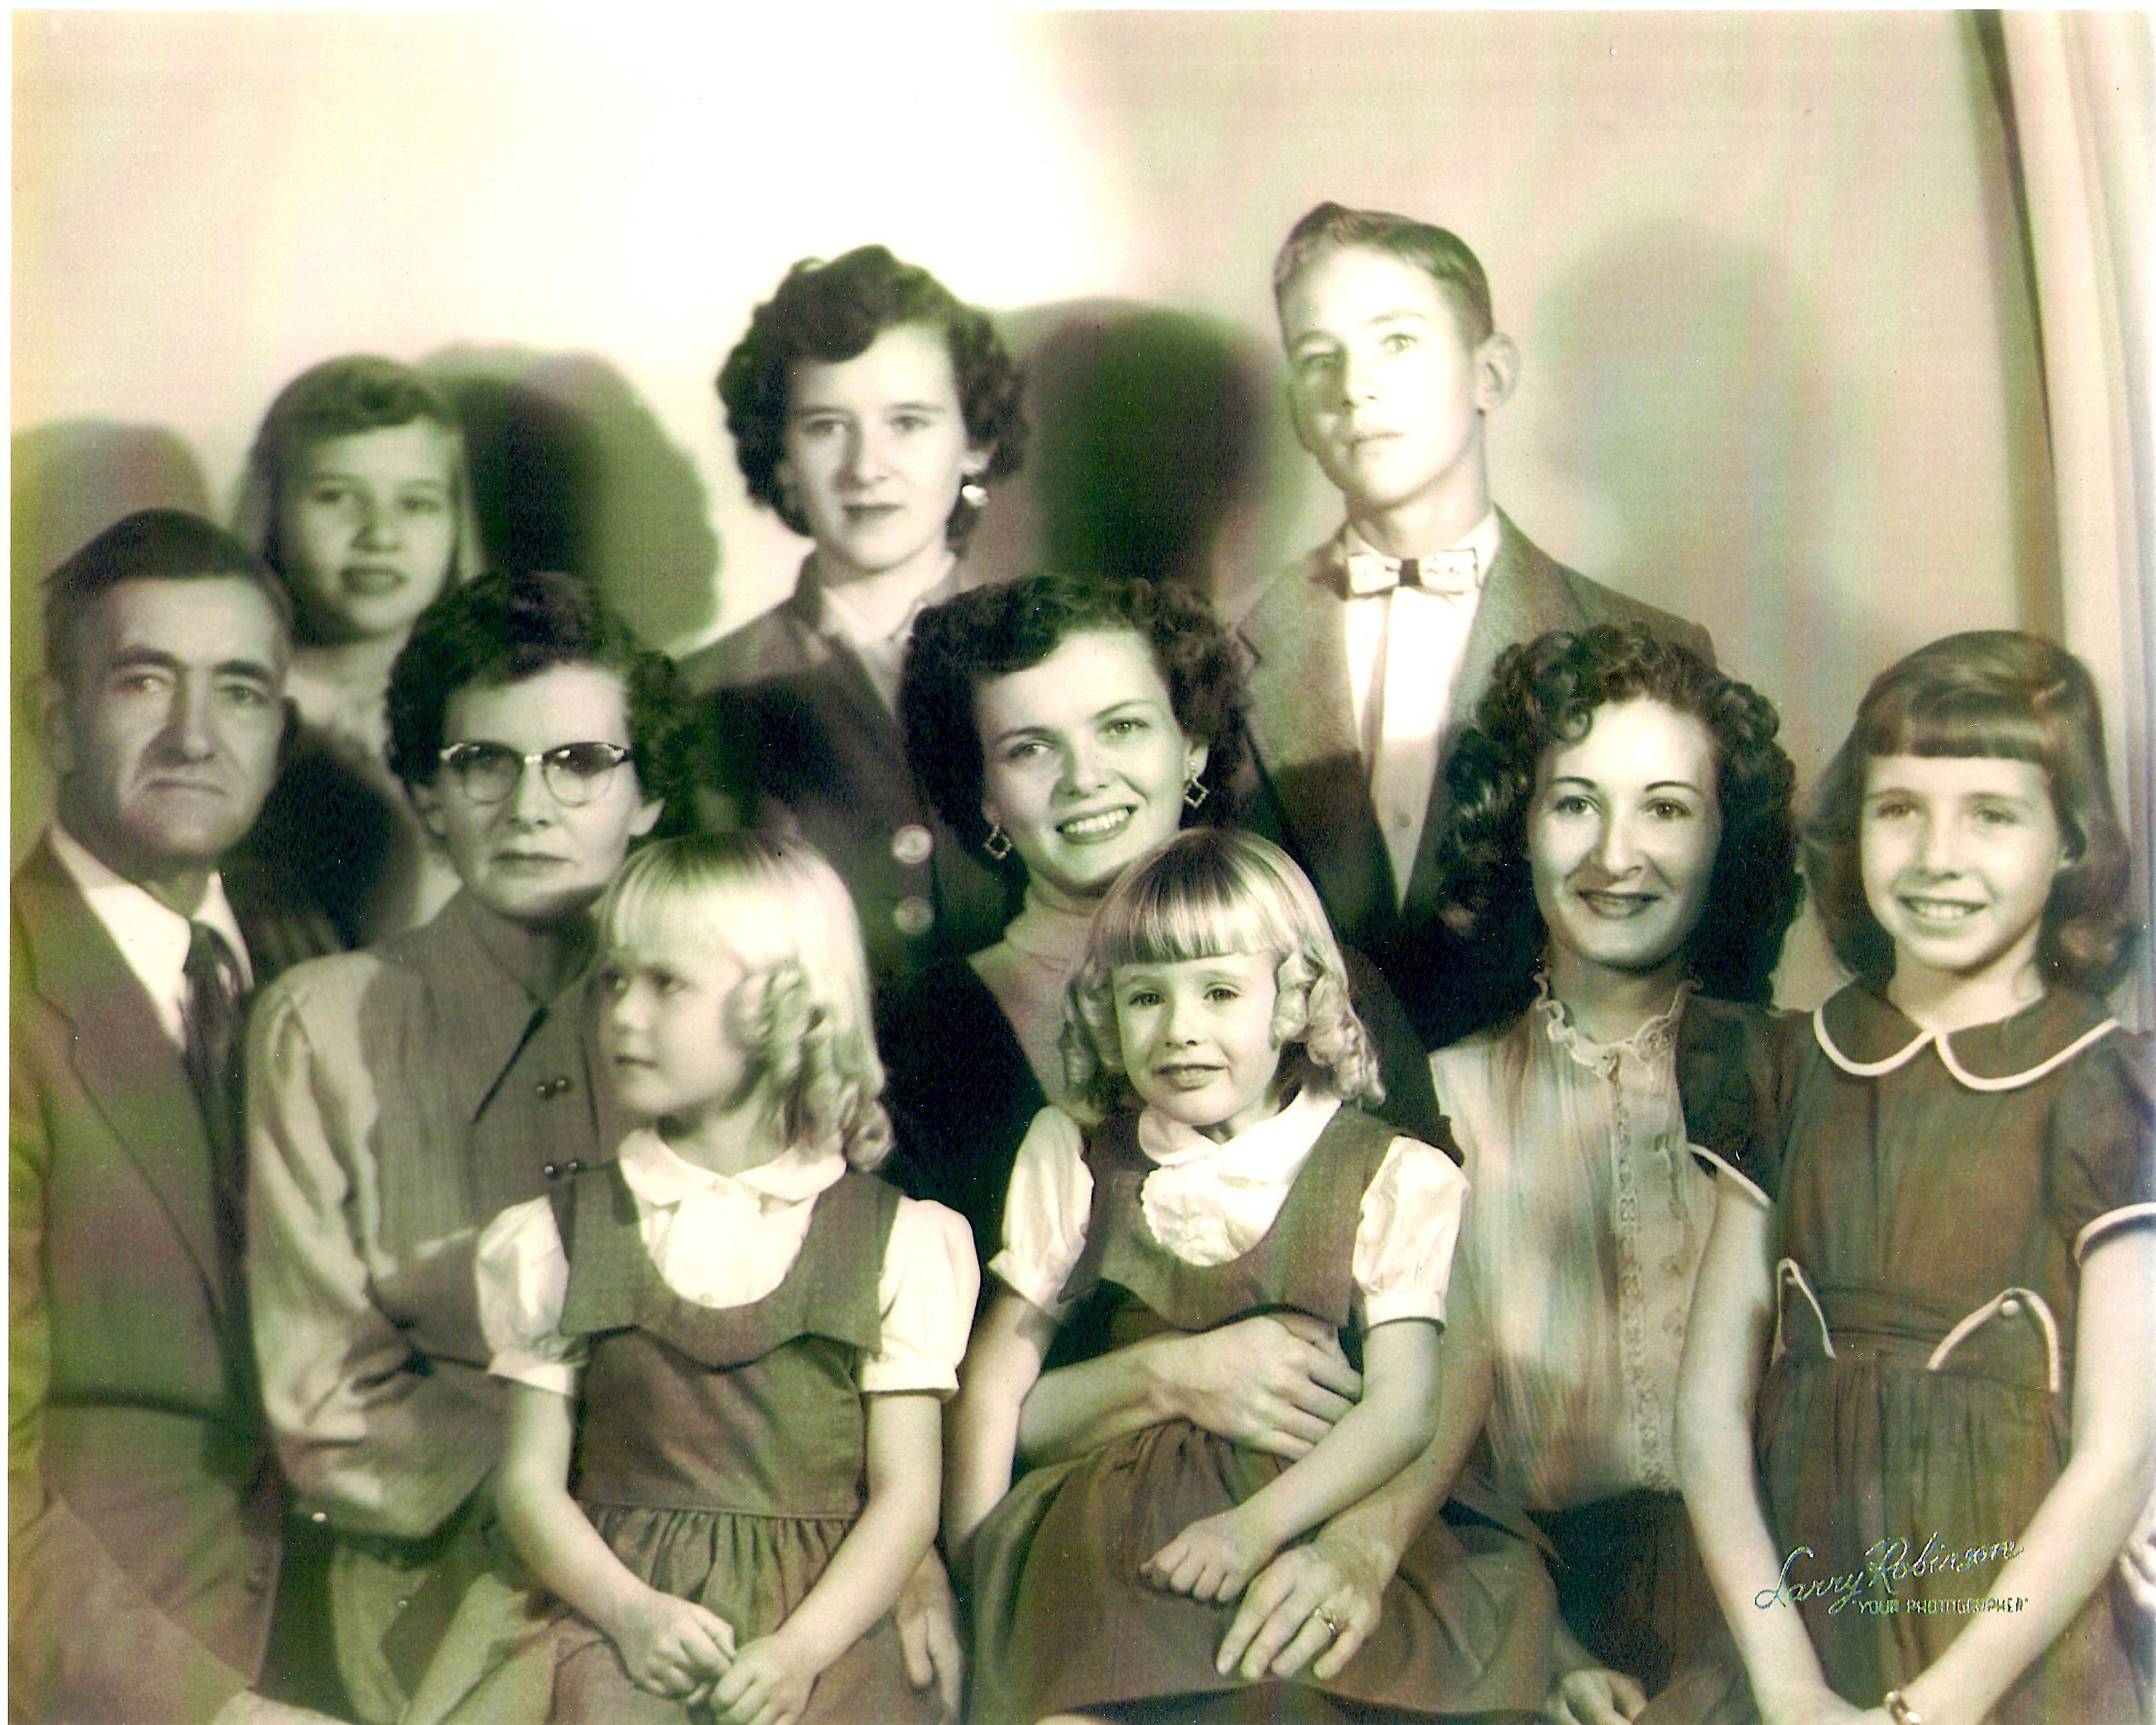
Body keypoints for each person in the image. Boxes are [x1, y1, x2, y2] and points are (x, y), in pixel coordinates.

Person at [1677, 632, 2153, 1724]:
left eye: (1993, 813)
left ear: (2072, 845)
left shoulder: (2106, 1092)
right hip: (1787, 1637)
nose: (1939, 854)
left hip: (2010, 1661)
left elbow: (2121, 1454)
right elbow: (1707, 1416)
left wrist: (1929, 1712)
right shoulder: (1786, 1070)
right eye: (1902, 810)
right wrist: (1786, 1682)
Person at [947, 828, 1526, 1724]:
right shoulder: (1082, 1160)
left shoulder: (1384, 1170)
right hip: (1122, 1537)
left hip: (1304, 1512)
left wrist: (1256, 1527)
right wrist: (974, 1588)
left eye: (1219, 991)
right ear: (1109, 1012)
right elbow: (997, 1388)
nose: (1180, 1031)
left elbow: (1406, 1406)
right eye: (1146, 997)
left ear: (1293, 1001)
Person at [247, 569, 687, 1724]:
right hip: (441, 1568)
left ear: (647, 796)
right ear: (427, 798)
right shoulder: (324, 1023)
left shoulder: (725, 1004)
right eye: (482, 763)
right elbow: (326, 1402)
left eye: (581, 763)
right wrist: (572, 1512)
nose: (530, 807)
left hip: (709, 1541)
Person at [413, 833, 977, 1724]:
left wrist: (802, 1651)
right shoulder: (565, 1234)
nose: (623, 1016)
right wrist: (630, 1613)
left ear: (784, 1004)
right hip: (612, 1631)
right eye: (614, 980)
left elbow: (907, 1496)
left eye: (666, 984)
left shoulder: (897, 1241)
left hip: (818, 1643)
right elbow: (527, 1482)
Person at [1419, 625, 1801, 1725]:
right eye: (1575, 803)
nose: (1614, 857)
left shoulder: (1804, 1079)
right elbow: (1418, 1438)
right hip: (1518, 1607)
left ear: (1729, 839)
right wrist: (1546, 1653)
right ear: (1516, 828)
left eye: (1668, 809)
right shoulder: (1438, 1100)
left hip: (1784, 1606)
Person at [1235, 201, 1712, 1047]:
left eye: (1399, 342)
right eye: (1321, 359)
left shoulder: (1651, 648)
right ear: (1297, 412)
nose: (1355, 386)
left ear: (1490, 374)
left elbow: (1718, 968)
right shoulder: (1231, 658)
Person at [10, 510, 339, 1725]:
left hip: (351, 1629)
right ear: (54, 718)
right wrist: (209, 1711)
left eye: (240, 691)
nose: (196, 736)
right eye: (144, 682)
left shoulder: (310, 950)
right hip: (117, 1665)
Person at [885, 569, 1446, 1266]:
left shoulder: (1331, 984)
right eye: (1029, 748)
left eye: (1121, 727)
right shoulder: (918, 1038)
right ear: (984, 794)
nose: (1084, 778)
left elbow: (1437, 1283)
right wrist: (1150, 1379)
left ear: (1194, 746)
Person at [683, 244, 1026, 988]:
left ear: (976, 444)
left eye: (908, 421)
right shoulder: (692, 698)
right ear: (780, 458)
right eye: (826, 426)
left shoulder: (1060, 661)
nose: (866, 467)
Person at [232, 354, 484, 950]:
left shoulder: (486, 700)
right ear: (273, 514)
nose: (381, 536)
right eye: (337, 497)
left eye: (417, 503)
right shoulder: (230, 705)